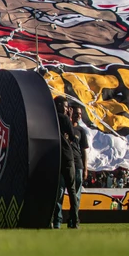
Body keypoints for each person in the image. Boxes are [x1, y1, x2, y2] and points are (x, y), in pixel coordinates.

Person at [53, 97, 78, 229]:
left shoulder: (49, 117)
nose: (67, 108)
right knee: (72, 191)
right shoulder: (63, 118)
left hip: (55, 157)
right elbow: (73, 136)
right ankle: (74, 221)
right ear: (59, 105)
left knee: (57, 192)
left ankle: (56, 221)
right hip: (67, 157)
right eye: (65, 106)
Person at [69, 104, 87, 229]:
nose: (78, 116)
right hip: (66, 164)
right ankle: (57, 221)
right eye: (76, 113)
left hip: (78, 165)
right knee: (60, 193)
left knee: (77, 195)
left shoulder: (81, 131)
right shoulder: (66, 127)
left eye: (80, 114)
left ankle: (73, 219)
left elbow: (84, 150)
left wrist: (85, 168)